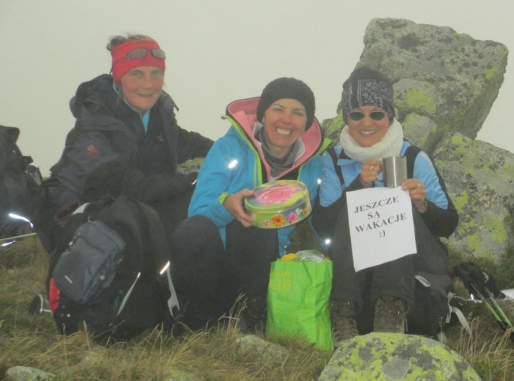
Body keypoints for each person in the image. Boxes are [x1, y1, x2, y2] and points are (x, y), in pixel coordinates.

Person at [312, 66, 458, 347]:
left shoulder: (413, 156)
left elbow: (450, 223)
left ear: (389, 116)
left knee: (393, 208)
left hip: (418, 258)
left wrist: (422, 205)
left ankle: (391, 313)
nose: (367, 122)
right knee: (356, 203)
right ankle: (343, 314)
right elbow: (323, 226)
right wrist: (357, 187)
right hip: (355, 265)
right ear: (347, 118)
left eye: (376, 113)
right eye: (357, 114)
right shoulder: (332, 159)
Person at [169, 77, 330, 331]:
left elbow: (317, 219)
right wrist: (227, 208)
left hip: (263, 266)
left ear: (306, 123)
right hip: (215, 261)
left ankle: (248, 314)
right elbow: (198, 212)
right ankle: (197, 317)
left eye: (297, 113)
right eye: (278, 109)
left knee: (261, 223)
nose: (286, 120)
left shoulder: (312, 165)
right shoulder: (229, 148)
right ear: (263, 115)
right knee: (196, 229)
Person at [34, 34, 213, 254]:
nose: (148, 84)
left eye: (156, 73)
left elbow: (185, 141)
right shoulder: (96, 122)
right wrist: (189, 179)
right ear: (118, 77)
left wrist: (232, 147)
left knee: (196, 207)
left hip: (128, 207)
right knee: (180, 209)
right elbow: (122, 186)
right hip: (73, 217)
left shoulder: (156, 115)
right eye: (136, 74)